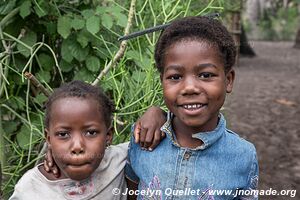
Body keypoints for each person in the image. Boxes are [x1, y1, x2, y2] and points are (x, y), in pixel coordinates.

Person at [125, 16, 259, 200]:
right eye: (175, 77)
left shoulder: (243, 156)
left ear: (228, 80)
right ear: (162, 81)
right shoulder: (143, 138)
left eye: (205, 75)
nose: (189, 88)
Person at [9, 80, 165, 200]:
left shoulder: (119, 161)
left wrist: (158, 112)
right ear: (48, 139)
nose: (77, 146)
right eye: (63, 135)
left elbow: (150, 134)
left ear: (108, 136)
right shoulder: (30, 189)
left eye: (91, 133)